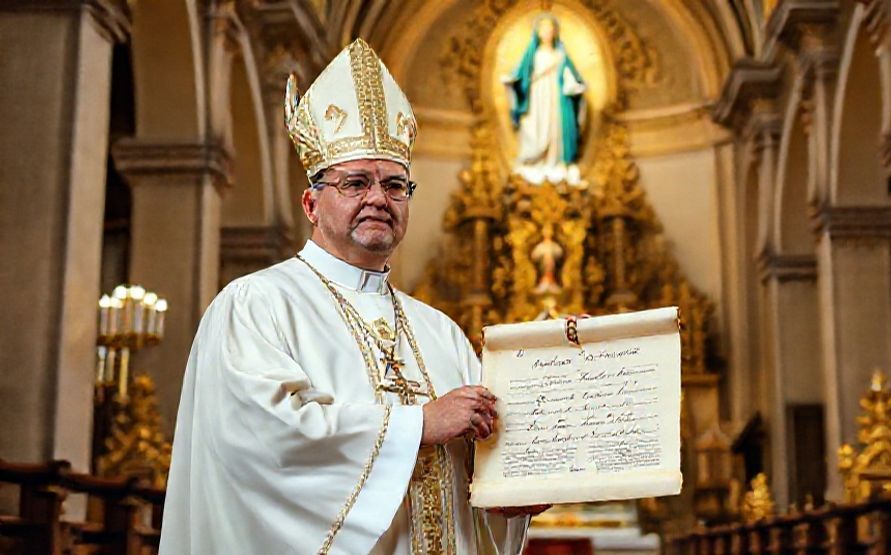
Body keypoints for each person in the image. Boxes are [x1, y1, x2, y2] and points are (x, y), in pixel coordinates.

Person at [159, 39, 544, 555]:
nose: (378, 199)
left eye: (395, 185)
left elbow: (482, 467)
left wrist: (510, 494)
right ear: (311, 203)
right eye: (356, 183)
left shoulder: (441, 331)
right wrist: (418, 424)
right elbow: (262, 443)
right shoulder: (255, 305)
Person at [503, 13, 587, 185]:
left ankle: (555, 161)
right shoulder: (532, 55)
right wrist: (512, 83)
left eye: (550, 28)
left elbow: (571, 76)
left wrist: (574, 86)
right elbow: (521, 75)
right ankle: (534, 161)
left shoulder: (561, 55)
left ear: (555, 32)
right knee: (535, 128)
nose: (547, 31)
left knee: (555, 128)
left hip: (556, 99)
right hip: (536, 98)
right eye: (543, 28)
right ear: (538, 32)